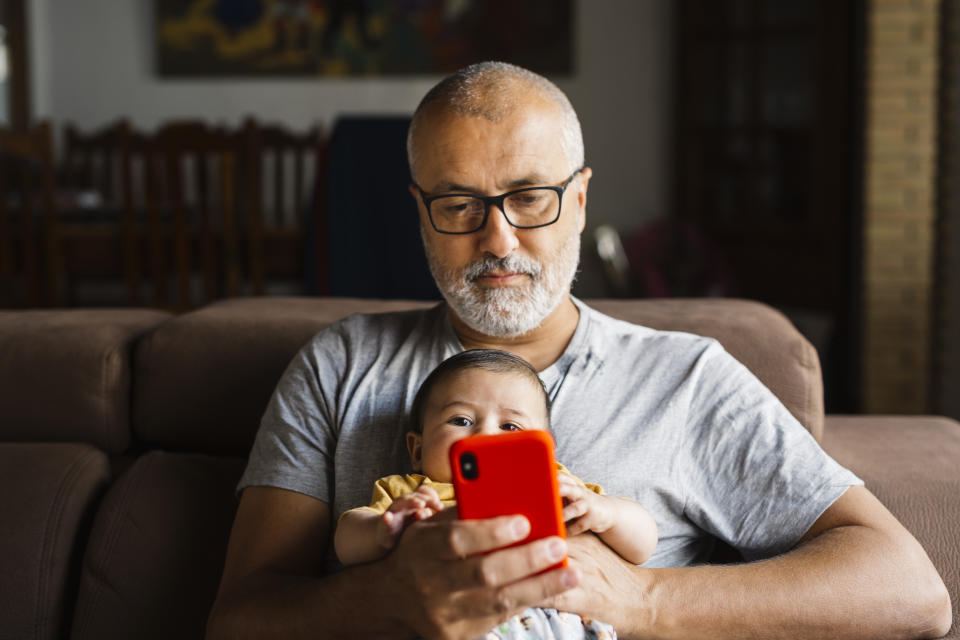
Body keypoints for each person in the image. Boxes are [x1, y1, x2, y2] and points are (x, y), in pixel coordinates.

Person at [207, 61, 952, 639]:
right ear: (419, 214)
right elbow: (237, 622)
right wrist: (387, 599)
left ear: (582, 197)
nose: (497, 241)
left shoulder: (684, 378)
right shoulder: (339, 364)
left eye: (530, 198)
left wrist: (640, 599)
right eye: (458, 205)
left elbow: (910, 591)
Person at [334, 349, 656, 639]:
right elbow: (347, 543)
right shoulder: (413, 492)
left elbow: (643, 545)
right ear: (417, 449)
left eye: (511, 426)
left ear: (545, 448)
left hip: (559, 616)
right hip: (457, 619)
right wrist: (384, 529)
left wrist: (607, 512)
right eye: (461, 420)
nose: (486, 434)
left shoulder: (557, 483)